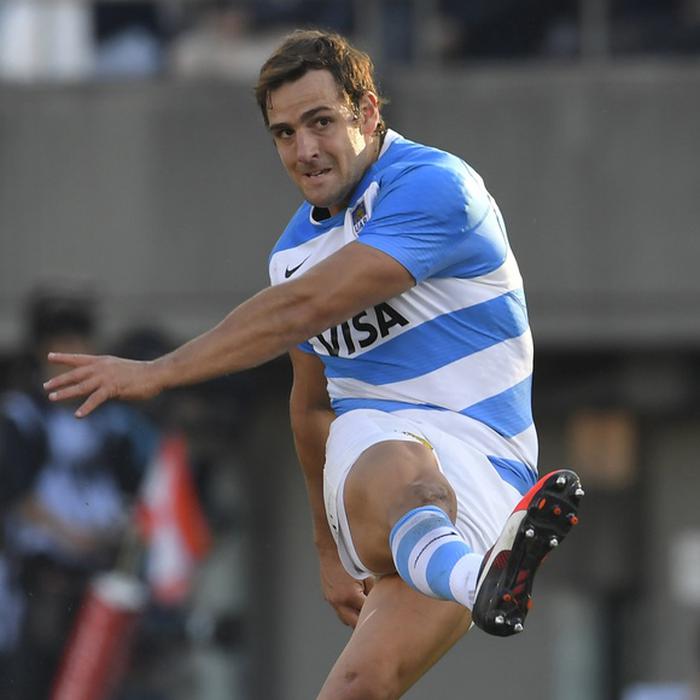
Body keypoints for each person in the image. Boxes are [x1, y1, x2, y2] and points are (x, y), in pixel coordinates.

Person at [44, 29, 584, 699]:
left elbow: (306, 306)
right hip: (378, 455)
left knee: (360, 685)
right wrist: (328, 552)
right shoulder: (293, 253)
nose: (304, 150)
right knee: (398, 459)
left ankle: (478, 573)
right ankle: (480, 581)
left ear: (369, 113)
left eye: (321, 122)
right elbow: (311, 407)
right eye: (285, 133)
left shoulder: (437, 188)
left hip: (492, 470)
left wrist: (158, 371)